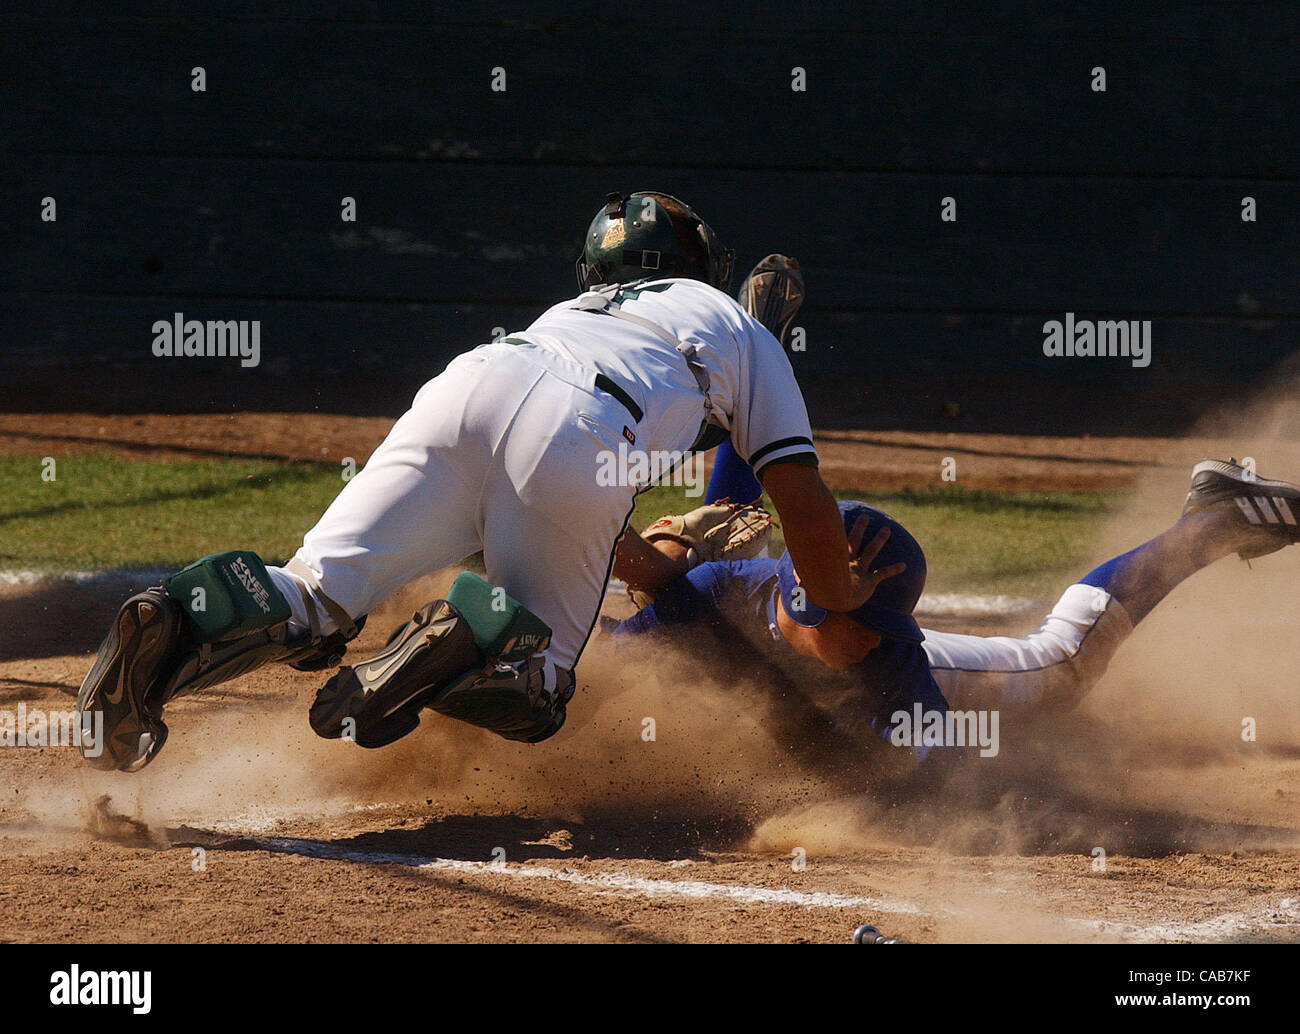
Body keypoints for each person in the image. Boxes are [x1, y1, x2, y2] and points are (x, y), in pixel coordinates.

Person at [77, 192, 892, 772]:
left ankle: (171, 618)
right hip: (583, 427)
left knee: (313, 600)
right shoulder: (738, 330)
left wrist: (664, 564)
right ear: (698, 266)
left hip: (475, 382)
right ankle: (460, 639)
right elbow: (801, 498)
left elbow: (577, 494)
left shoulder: (584, 317)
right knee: (537, 689)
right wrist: (832, 600)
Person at [607, 458, 1300, 755]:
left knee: (1060, 663)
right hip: (734, 607)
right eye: (853, 621)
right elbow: (597, 678)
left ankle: (1214, 520)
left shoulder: (894, 663)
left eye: (879, 626)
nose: (866, 641)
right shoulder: (712, 598)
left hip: (956, 676)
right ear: (803, 603)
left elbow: (929, 782)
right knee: (674, 577)